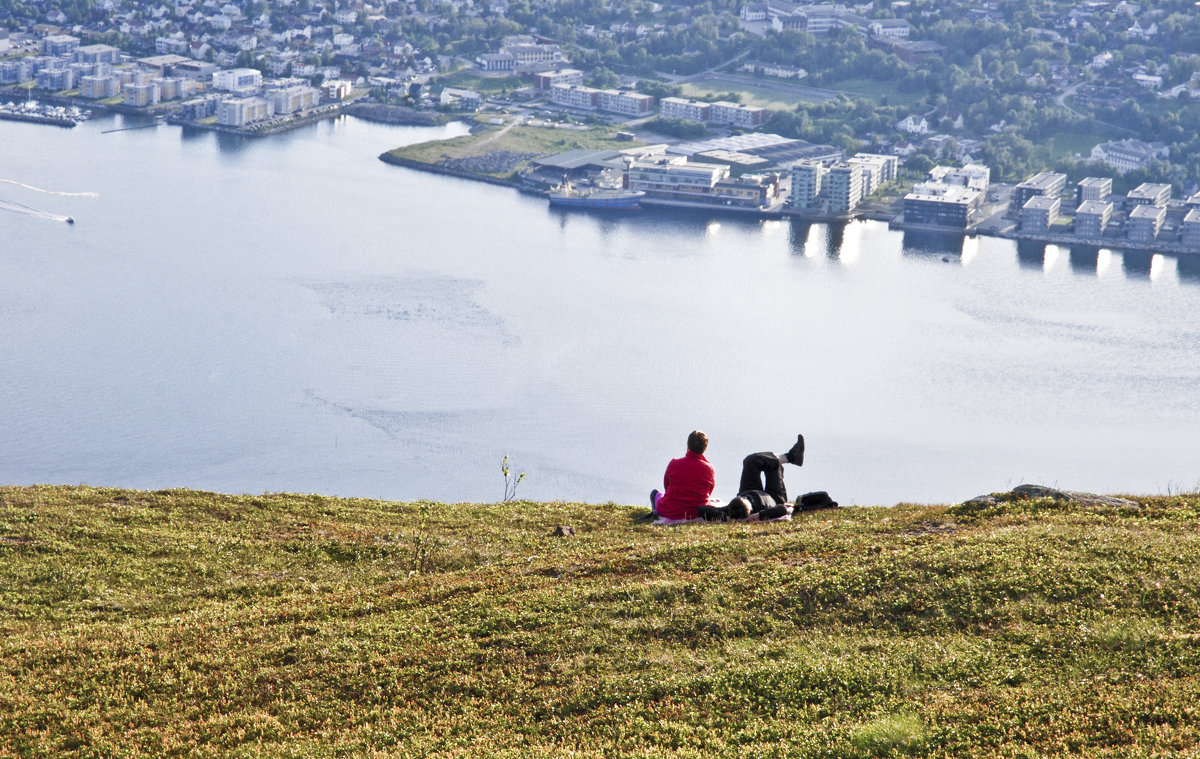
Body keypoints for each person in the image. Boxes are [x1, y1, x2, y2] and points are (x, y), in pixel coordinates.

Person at [710, 435, 806, 522]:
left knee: (750, 461)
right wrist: (758, 515)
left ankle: (790, 457)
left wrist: (725, 517)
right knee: (773, 466)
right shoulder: (761, 512)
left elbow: (703, 509)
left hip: (749, 490)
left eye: (743, 498)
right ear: (751, 509)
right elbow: (782, 509)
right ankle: (792, 457)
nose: (747, 498)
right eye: (745, 500)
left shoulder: (732, 508)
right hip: (774, 497)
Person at [649, 430, 716, 521]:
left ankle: (656, 510)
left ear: (688, 445)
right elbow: (709, 491)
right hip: (696, 512)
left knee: (655, 493)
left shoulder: (674, 463)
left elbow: (666, 486)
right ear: (705, 448)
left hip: (670, 511)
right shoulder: (709, 468)